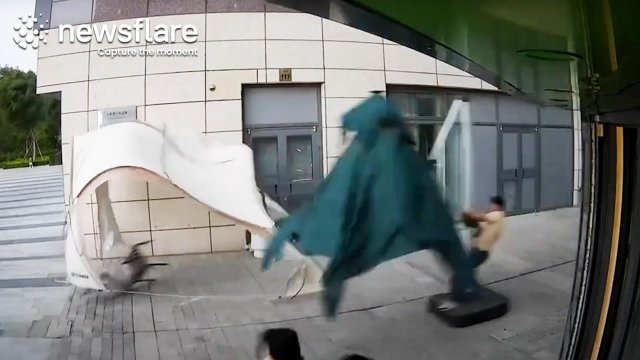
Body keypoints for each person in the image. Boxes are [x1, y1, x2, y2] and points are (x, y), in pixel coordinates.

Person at [462, 196, 506, 268]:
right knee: (467, 267)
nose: (490, 206)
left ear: (497, 205)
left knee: (465, 267)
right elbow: (476, 223)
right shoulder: (491, 217)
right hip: (477, 250)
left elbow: (481, 217)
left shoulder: (497, 214)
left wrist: (470, 214)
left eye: (492, 204)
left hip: (481, 251)